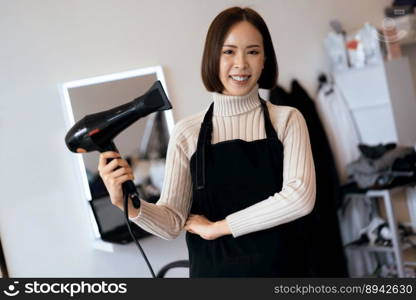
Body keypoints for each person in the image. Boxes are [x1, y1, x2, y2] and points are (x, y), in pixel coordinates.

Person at [98, 6, 316, 277]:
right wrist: (126, 204)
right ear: (213, 57)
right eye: (229, 51)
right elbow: (173, 222)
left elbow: (300, 198)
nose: (241, 64)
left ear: (264, 60)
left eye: (253, 51)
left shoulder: (287, 120)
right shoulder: (187, 133)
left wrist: (218, 227)